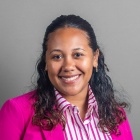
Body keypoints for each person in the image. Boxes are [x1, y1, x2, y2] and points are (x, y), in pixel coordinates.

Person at [0, 15, 133, 140]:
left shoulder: (116, 115)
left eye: (78, 55)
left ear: (95, 58)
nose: (68, 66)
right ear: (46, 62)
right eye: (57, 56)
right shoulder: (17, 112)